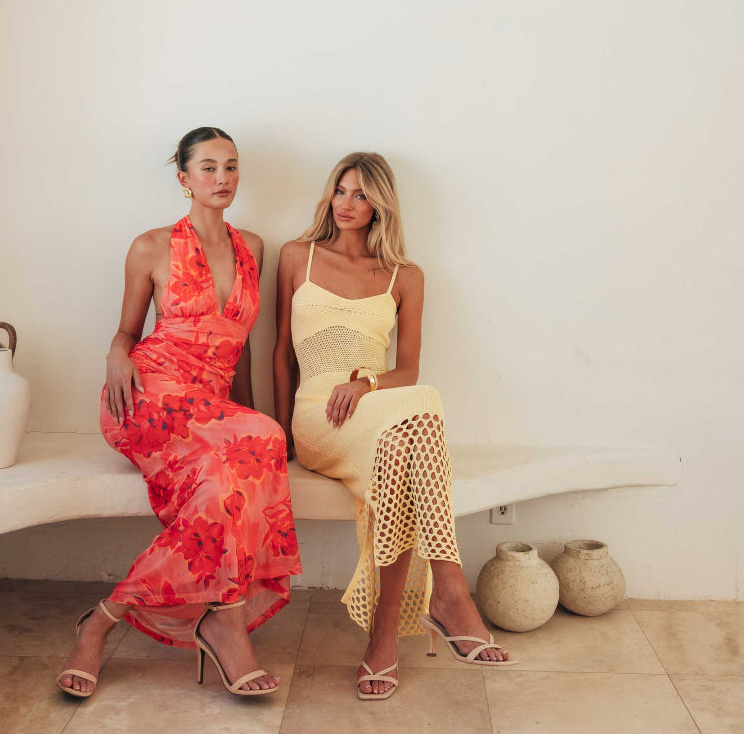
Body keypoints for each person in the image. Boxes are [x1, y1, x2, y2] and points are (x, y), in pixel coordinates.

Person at [56, 126, 300, 699]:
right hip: (147, 394)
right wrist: (116, 354)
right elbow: (126, 331)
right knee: (259, 437)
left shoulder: (253, 247)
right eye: (208, 167)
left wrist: (245, 420)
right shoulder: (151, 245)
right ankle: (222, 626)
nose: (222, 178)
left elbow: (240, 348)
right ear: (183, 177)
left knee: (235, 468)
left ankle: (106, 621)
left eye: (231, 166)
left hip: (210, 408)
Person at [274, 151, 513, 701]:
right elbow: (280, 355)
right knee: (420, 413)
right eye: (341, 190)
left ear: (380, 205)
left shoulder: (406, 276)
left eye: (361, 194)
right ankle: (450, 595)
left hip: (374, 407)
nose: (347, 203)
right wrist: (282, 434)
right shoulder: (295, 257)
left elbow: (408, 371)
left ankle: (386, 637)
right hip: (317, 416)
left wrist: (366, 384)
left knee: (407, 437)